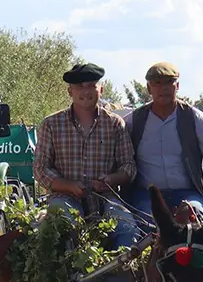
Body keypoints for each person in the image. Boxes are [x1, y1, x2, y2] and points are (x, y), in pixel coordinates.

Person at [33, 62, 139, 248]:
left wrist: (110, 180)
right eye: (79, 87)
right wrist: (69, 186)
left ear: (101, 89)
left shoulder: (115, 124)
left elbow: (128, 166)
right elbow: (41, 169)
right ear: (70, 92)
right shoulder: (51, 124)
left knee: (127, 227)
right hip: (64, 198)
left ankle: (123, 275)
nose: (85, 91)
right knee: (64, 225)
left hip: (106, 199)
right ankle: (71, 275)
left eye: (91, 85)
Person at [124, 61, 203, 218]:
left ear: (177, 86)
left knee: (191, 216)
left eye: (169, 83)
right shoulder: (133, 122)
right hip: (146, 197)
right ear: (149, 88)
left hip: (189, 194)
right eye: (157, 83)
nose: (163, 88)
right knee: (149, 221)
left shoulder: (195, 119)